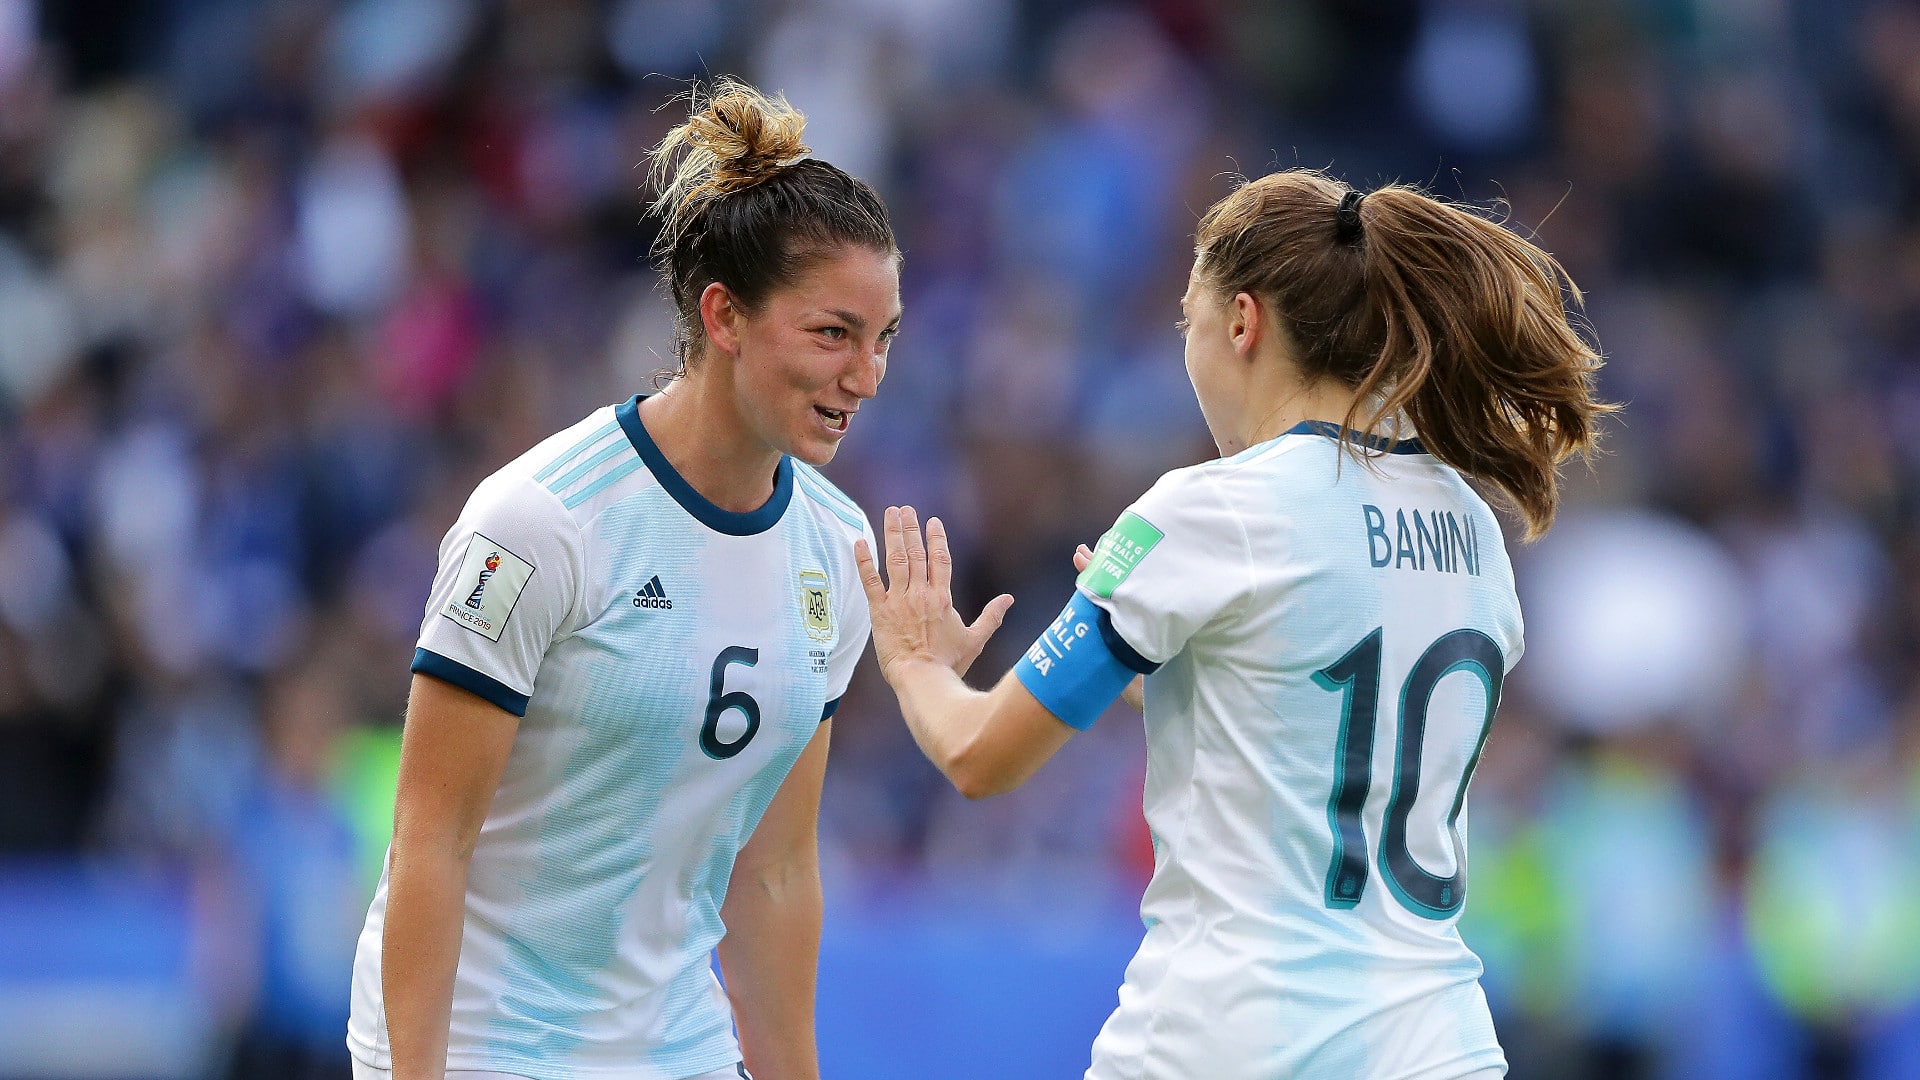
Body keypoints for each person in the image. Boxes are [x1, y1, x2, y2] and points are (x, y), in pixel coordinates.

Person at [855, 169, 1611, 1079]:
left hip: (1234, 1038)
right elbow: (1319, 729)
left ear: (1243, 322)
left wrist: (913, 661)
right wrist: (1160, 670)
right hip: (1437, 1044)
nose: (1190, 347)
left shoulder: (1215, 511)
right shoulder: (1473, 528)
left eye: (1190, 320)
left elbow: (980, 757)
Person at [347, 80, 901, 1080]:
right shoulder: (538, 527)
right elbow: (430, 843)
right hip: (485, 1050)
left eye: (883, 338)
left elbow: (773, 875)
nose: (866, 376)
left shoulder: (835, 551)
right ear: (724, 316)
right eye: (833, 334)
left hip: (674, 1052)